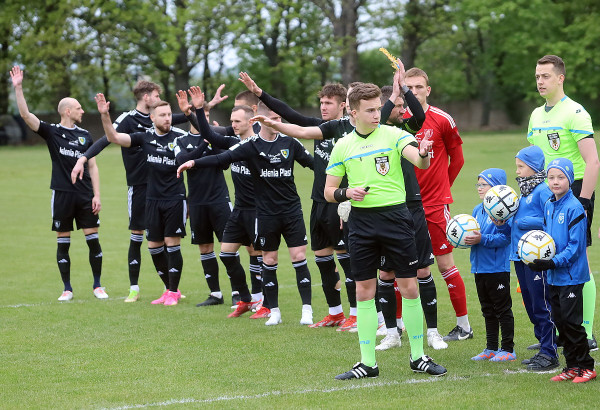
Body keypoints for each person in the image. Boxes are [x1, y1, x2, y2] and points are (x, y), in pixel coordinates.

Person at [324, 82, 446, 379]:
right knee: (364, 290)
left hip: (396, 219)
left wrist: (425, 153)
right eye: (370, 110)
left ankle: (418, 357)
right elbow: (328, 191)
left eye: (378, 108)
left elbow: (419, 160)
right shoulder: (343, 145)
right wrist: (347, 193)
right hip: (361, 224)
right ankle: (368, 363)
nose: (377, 114)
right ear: (353, 113)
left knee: (409, 287)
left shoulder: (394, 135)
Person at [238, 72, 358, 330]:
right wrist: (259, 93)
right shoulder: (320, 128)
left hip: (342, 204)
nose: (323, 107)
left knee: (347, 260)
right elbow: (290, 115)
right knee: (323, 258)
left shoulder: (352, 131)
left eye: (329, 103)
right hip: (318, 202)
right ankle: (335, 313)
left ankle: (357, 314)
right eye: (321, 102)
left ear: (343, 105)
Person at [178, 101, 315, 325]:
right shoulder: (248, 145)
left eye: (279, 119)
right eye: (274, 119)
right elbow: (220, 157)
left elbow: (314, 165)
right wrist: (194, 162)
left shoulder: (290, 142)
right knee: (265, 259)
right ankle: (270, 309)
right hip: (262, 213)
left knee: (297, 258)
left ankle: (305, 310)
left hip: (288, 211)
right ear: (261, 120)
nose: (278, 122)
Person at [71, 80, 189, 303]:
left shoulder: (164, 120)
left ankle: (170, 288)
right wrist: (84, 157)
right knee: (138, 237)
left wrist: (204, 108)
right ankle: (134, 288)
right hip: (139, 187)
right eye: (157, 96)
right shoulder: (129, 119)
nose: (161, 102)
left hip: (164, 188)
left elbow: (185, 117)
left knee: (167, 240)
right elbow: (109, 138)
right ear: (146, 97)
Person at [10, 65, 107, 301]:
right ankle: (67, 289)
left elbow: (92, 166)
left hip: (85, 195)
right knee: (63, 242)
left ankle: (98, 286)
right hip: (62, 194)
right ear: (67, 111)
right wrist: (18, 88)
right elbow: (26, 116)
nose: (83, 111)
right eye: (79, 108)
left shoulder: (85, 135)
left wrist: (97, 195)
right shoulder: (52, 132)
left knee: (93, 240)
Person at [527, 55, 598, 350]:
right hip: (548, 194)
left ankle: (586, 332)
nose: (540, 81)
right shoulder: (535, 115)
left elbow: (593, 161)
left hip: (575, 191)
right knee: (552, 255)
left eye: (545, 76)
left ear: (560, 78)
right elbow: (534, 162)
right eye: (537, 76)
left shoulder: (575, 112)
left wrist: (583, 201)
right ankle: (560, 331)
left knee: (578, 259)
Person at [176, 88, 264, 317]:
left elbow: (218, 157)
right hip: (239, 208)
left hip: (257, 207)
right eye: (231, 120)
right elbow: (208, 134)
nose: (232, 124)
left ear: (252, 117)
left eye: (236, 120)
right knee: (227, 253)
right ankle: (246, 298)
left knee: (258, 252)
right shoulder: (233, 141)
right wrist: (194, 111)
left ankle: (260, 299)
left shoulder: (260, 142)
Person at [376, 67, 446, 351]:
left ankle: (433, 332)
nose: (402, 109)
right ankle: (392, 332)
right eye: (397, 106)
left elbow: (419, 114)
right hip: (385, 208)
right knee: (386, 274)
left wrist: (404, 89)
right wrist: (393, 96)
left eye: (402, 105)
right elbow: (379, 119)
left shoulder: (405, 129)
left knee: (422, 270)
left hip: (412, 207)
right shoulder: (375, 134)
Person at [404, 67, 470, 342]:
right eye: (409, 88)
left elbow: (458, 159)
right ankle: (398, 326)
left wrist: (443, 188)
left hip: (434, 204)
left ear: (428, 90)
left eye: (419, 87)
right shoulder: (399, 121)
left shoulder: (442, 119)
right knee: (402, 267)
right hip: (403, 205)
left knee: (444, 265)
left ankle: (464, 325)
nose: (414, 92)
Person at [529, 158, 596, 383]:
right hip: (554, 276)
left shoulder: (575, 208)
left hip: (571, 276)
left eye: (560, 177)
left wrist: (552, 262)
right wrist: (538, 255)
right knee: (560, 322)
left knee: (571, 322)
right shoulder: (549, 204)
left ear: (569, 179)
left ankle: (586, 367)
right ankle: (571, 366)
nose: (555, 182)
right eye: (551, 177)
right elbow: (546, 239)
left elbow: (575, 248)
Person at [511, 146, 559, 371]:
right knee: (530, 304)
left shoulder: (542, 190)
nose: (517, 171)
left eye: (521, 166)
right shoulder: (524, 191)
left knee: (541, 304)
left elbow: (549, 218)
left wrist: (524, 223)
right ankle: (543, 344)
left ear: (533, 167)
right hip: (519, 256)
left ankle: (550, 353)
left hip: (537, 257)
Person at [466, 168, 515, 362]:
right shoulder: (477, 210)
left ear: (496, 187)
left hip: (497, 269)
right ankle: (491, 348)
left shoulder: (504, 210)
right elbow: (472, 233)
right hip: (479, 268)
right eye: (478, 184)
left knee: (502, 309)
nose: (479, 188)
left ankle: (508, 349)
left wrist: (482, 239)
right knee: (487, 309)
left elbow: (505, 238)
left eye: (483, 184)